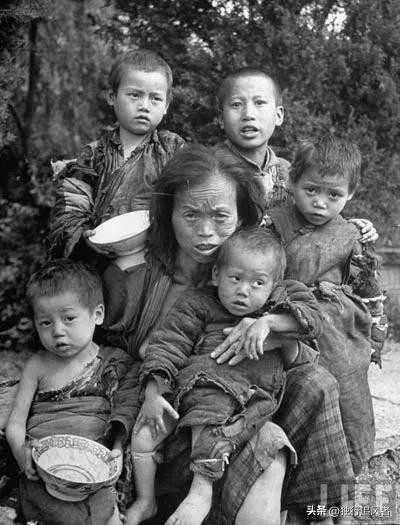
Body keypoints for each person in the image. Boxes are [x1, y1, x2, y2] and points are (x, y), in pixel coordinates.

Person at [101, 144, 355, 525]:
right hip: (180, 426)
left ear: (241, 217)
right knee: (268, 442)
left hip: (252, 403)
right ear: (169, 213)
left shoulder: (254, 265)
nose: (206, 232)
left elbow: (304, 341)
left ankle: (335, 511)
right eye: (191, 214)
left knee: (316, 382)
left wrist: (272, 330)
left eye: (221, 216)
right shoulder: (138, 275)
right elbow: (120, 360)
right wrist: (123, 431)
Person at [129, 227, 323, 525]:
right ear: (216, 274)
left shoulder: (278, 304)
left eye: (258, 283)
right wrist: (155, 391)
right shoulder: (197, 304)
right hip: (187, 396)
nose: (244, 290)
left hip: (245, 403)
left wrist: (270, 322)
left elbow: (314, 320)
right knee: (144, 434)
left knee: (213, 404)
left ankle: (201, 490)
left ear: (273, 286)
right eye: (235, 278)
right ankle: (146, 501)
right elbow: (167, 345)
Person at [263, 135, 386, 487]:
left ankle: (345, 475)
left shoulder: (351, 234)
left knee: (350, 393)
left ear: (350, 194)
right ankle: (299, 482)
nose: (320, 202)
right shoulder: (274, 225)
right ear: (292, 182)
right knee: (302, 397)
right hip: (289, 321)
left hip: (341, 330)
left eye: (333, 195)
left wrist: (375, 336)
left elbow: (369, 289)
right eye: (311, 190)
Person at [6, 260, 139, 525]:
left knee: (107, 514)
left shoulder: (114, 363)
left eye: (69, 318)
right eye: (45, 322)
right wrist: (22, 455)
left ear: (97, 314)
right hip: (44, 469)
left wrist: (116, 450)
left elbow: (125, 415)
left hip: (95, 472)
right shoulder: (37, 365)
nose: (58, 331)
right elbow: (16, 423)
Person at [48, 48, 185, 264]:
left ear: (166, 105)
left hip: (157, 261)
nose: (144, 106)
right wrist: (82, 235)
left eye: (155, 99)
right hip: (99, 260)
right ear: (112, 96)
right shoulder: (93, 155)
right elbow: (71, 205)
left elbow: (192, 198)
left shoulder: (172, 149)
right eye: (135, 95)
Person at [215, 66, 377, 242]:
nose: (248, 114)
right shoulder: (210, 168)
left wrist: (350, 228)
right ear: (221, 119)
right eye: (236, 104)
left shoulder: (286, 171)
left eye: (259, 103)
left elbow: (311, 216)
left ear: (279, 115)